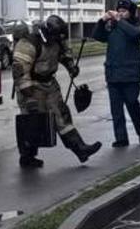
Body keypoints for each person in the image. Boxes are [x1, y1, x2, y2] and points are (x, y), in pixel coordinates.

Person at [11, 14, 102, 168]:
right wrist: (28, 92)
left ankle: (81, 150)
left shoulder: (57, 39)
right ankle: (27, 157)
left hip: (49, 83)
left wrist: (71, 67)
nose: (58, 40)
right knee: (33, 121)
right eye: (56, 37)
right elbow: (19, 69)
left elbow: (65, 54)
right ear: (49, 32)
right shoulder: (30, 43)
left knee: (62, 115)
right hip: (32, 84)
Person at [92, 0, 140, 147]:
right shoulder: (112, 27)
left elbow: (135, 35)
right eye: (119, 11)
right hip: (113, 73)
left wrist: (119, 21)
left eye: (124, 11)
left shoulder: (136, 25)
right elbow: (97, 36)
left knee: (132, 103)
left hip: (130, 74)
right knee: (116, 110)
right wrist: (102, 21)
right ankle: (121, 138)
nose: (120, 14)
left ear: (131, 13)